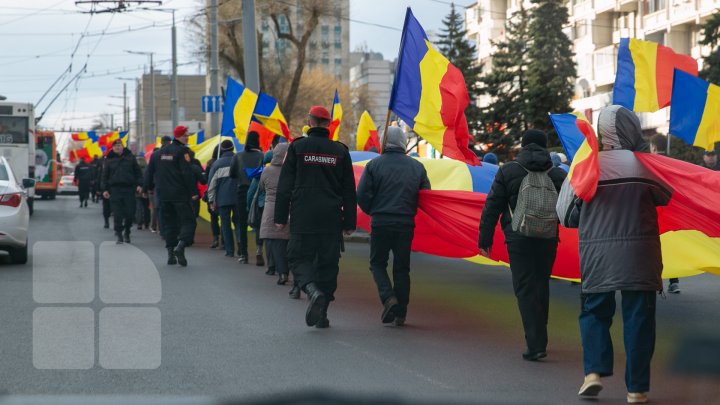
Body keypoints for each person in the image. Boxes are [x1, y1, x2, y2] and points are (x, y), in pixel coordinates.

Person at [557, 106, 671, 404]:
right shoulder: (647, 167)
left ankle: (593, 373)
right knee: (639, 321)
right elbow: (667, 196)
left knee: (594, 312)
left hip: (598, 256)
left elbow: (565, 214)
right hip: (640, 256)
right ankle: (637, 390)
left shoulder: (588, 166)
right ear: (632, 129)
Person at [478, 129, 566, 361]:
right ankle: (540, 335)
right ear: (545, 146)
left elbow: (492, 206)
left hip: (518, 237)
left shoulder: (508, 171)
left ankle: (536, 342)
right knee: (540, 284)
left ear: (523, 146)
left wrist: (484, 239)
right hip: (548, 237)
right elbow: (568, 208)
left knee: (525, 287)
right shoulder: (557, 174)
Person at [275, 106, 357, 328]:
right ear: (329, 125)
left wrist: (280, 216)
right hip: (331, 217)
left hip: (303, 215)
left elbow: (284, 187)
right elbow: (349, 190)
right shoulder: (340, 151)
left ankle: (311, 290)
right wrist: (350, 222)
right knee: (328, 264)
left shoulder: (298, 147)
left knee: (297, 256)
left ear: (309, 122)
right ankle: (322, 314)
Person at [357, 126, 430, 326]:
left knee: (377, 263)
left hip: (380, 222)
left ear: (384, 141)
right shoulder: (417, 167)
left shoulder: (373, 165)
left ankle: (389, 298)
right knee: (401, 268)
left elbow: (362, 195)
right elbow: (426, 196)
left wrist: (374, 211)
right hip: (405, 223)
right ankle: (401, 313)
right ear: (403, 142)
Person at [145, 126, 199, 266]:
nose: (187, 137)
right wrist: (193, 192)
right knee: (189, 222)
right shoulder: (182, 152)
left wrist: (148, 188)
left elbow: (149, 172)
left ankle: (170, 254)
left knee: (170, 225)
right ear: (178, 136)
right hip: (180, 195)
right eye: (185, 135)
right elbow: (187, 174)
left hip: (163, 195)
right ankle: (180, 246)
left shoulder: (157, 154)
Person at [648, 134, 681, 294]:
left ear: (653, 146)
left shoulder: (649, 162)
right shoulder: (674, 163)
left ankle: (656, 280)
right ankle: (674, 281)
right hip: (672, 211)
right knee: (672, 245)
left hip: (654, 212)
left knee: (654, 248)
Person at [259, 143, 291, 288]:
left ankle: (279, 271)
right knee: (287, 242)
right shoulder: (292, 170)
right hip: (289, 208)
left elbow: (261, 187)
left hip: (271, 209)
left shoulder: (267, 170)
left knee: (274, 242)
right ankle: (288, 270)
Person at [229, 131, 264, 264]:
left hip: (242, 192)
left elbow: (232, 174)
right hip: (258, 192)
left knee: (242, 223)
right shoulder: (262, 155)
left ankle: (244, 254)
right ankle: (259, 250)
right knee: (258, 222)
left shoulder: (238, 156)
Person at [101, 139, 143, 244]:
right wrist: (105, 189)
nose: (117, 148)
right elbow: (105, 176)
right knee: (117, 214)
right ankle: (119, 233)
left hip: (129, 189)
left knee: (130, 213)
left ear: (122, 147)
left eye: (119, 146)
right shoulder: (109, 160)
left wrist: (140, 185)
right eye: (115, 146)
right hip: (115, 190)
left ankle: (127, 231)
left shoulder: (130, 158)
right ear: (113, 148)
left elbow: (138, 173)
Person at [207, 140, 240, 258]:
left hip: (222, 200)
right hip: (238, 198)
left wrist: (211, 201)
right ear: (232, 148)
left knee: (225, 225)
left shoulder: (217, 164)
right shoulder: (239, 160)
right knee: (238, 224)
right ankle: (241, 248)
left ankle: (229, 250)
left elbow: (211, 185)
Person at [145, 136, 173, 237]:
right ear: (170, 142)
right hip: (173, 186)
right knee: (171, 209)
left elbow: (149, 173)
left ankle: (163, 231)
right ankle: (171, 230)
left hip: (159, 186)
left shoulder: (155, 155)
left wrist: (148, 187)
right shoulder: (175, 153)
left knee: (160, 209)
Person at [204, 145, 223, 249]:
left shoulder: (210, 163)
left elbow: (207, 178)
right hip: (223, 193)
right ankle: (224, 240)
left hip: (212, 193)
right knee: (224, 217)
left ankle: (215, 238)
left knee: (214, 217)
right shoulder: (228, 162)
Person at [135, 155, 151, 231]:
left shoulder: (135, 169)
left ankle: (139, 223)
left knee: (139, 207)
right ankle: (147, 223)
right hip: (146, 190)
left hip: (137, 190)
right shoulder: (147, 168)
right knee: (146, 207)